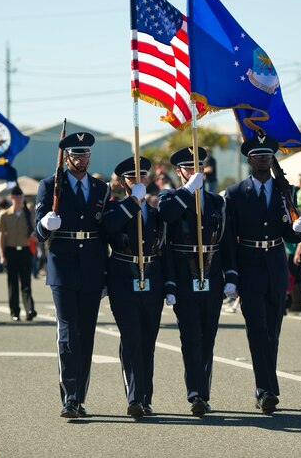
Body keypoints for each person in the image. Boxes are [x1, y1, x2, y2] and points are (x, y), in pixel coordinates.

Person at [223, 134, 301, 414]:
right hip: (249, 266)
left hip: (275, 264)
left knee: (272, 331)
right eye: (258, 156)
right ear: (249, 160)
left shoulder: (287, 191)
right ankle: (265, 390)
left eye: (268, 155)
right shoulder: (235, 193)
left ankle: (267, 387)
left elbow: (289, 233)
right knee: (257, 331)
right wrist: (232, 274)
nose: (263, 160)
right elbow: (229, 237)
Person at [35, 131, 109, 419]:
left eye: (86, 154)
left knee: (86, 334)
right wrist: (45, 224)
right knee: (67, 333)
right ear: (66, 158)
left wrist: (106, 273)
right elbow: (38, 232)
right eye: (77, 155)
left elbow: (105, 232)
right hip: (63, 265)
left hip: (91, 265)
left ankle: (80, 397)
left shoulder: (101, 188)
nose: (82, 159)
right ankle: (69, 397)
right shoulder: (51, 185)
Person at [158, 146, 234, 417]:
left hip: (212, 277)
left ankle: (204, 391)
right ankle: (196, 395)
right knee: (191, 337)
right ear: (179, 172)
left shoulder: (215, 201)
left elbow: (225, 241)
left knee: (208, 338)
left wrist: (231, 276)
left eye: (198, 166)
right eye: (189, 168)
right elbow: (167, 216)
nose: (195, 171)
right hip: (184, 276)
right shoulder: (169, 196)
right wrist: (188, 191)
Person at [104, 156, 170, 418]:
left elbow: (163, 250)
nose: (139, 180)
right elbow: (110, 227)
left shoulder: (155, 213)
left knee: (148, 340)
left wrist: (168, 285)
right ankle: (133, 397)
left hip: (151, 278)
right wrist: (132, 203)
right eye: (133, 178)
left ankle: (145, 397)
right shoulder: (113, 209)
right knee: (131, 337)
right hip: (123, 276)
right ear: (123, 183)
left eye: (143, 176)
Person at [0, 184, 37, 322]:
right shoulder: (5, 215)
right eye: (16, 197)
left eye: (21, 197)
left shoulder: (29, 214)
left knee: (26, 282)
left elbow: (35, 231)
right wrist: (2, 255)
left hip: (25, 250)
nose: (19, 199)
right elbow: (2, 236)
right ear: (11, 198)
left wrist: (34, 236)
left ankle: (29, 309)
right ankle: (15, 311)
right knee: (13, 283)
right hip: (11, 251)